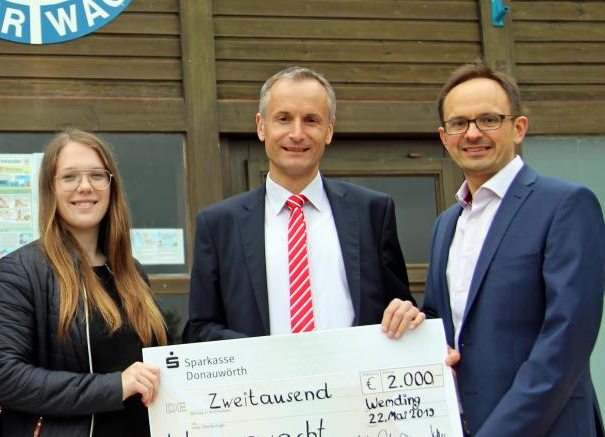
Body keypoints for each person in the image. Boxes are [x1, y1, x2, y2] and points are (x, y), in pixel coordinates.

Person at [424, 61, 605, 436]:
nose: (472, 134)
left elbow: (565, 340)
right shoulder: (446, 225)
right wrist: (410, 322)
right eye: (459, 123)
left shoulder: (566, 205)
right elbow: (442, 324)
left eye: (488, 119)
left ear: (518, 128)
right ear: (445, 137)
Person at [184, 66, 421, 343]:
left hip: (355, 381)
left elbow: (401, 310)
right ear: (261, 126)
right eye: (283, 118)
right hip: (265, 384)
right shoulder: (218, 225)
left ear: (329, 130)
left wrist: (408, 315)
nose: (297, 134)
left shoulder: (372, 212)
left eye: (311, 120)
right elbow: (199, 329)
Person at [0, 129, 167, 436]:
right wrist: (113, 386)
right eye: (69, 177)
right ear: (51, 189)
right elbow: (3, 376)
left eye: (97, 175)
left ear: (111, 186)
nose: (85, 187)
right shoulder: (20, 272)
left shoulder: (131, 273)